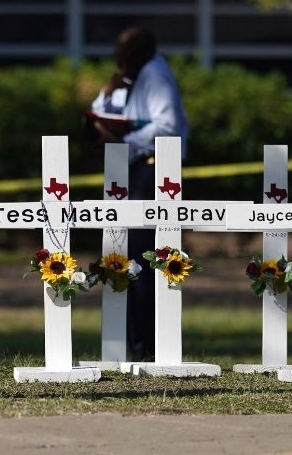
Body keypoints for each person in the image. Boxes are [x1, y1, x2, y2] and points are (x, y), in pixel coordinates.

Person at [90, 26, 188, 362]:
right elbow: (103, 111)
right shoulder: (134, 78)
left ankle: (148, 344)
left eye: (123, 56)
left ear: (140, 54)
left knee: (144, 259)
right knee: (127, 254)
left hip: (152, 170)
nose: (119, 63)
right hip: (132, 168)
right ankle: (136, 342)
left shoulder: (155, 76)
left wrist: (123, 141)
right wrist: (109, 91)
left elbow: (169, 125)